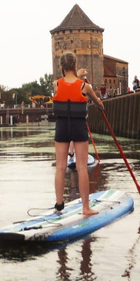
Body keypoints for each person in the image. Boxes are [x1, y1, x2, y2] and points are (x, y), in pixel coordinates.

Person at [52, 52, 103, 216]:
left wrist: (76, 75)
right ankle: (86, 208)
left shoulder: (56, 85)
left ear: (61, 67)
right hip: (78, 126)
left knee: (60, 167)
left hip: (61, 127)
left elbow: (67, 83)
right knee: (81, 168)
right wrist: (101, 106)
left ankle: (59, 206)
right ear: (75, 65)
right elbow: (98, 102)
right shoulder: (84, 86)